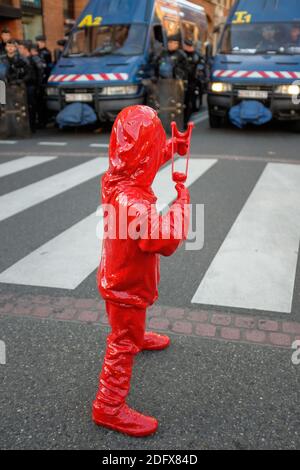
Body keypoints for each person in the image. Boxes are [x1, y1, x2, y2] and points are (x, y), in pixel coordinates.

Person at [93, 105, 190, 437]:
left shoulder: (117, 177)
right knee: (122, 341)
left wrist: (170, 149)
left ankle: (137, 334)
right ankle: (109, 406)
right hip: (126, 286)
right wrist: (182, 205)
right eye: (156, 143)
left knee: (128, 324)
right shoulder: (133, 202)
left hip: (117, 275)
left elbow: (140, 158)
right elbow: (164, 240)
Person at [183, 38, 204, 123]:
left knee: (189, 102)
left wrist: (199, 71)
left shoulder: (196, 55)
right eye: (187, 46)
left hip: (192, 81)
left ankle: (186, 121)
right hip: (181, 81)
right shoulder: (182, 54)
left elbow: (201, 66)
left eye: (190, 46)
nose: (188, 48)